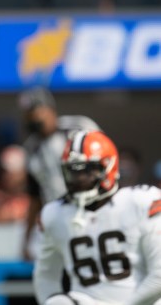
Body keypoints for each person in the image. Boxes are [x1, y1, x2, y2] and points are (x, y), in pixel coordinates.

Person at [33, 130, 161, 305]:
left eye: (86, 171)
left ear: (108, 167)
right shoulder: (55, 213)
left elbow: (159, 276)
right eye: (72, 172)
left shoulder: (141, 201)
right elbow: (46, 276)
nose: (78, 179)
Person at [18, 86, 101, 261]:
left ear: (49, 108)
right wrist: (26, 239)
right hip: (59, 219)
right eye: (28, 112)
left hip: (92, 211)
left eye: (36, 110)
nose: (33, 116)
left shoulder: (79, 127)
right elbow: (35, 196)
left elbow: (106, 163)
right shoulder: (31, 148)